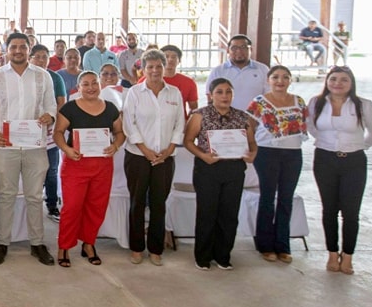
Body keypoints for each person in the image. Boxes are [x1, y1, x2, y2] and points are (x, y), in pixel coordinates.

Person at [0, 32, 58, 266]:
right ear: (6, 50)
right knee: (7, 194)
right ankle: (2, 243)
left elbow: (51, 104)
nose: (18, 51)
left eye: (22, 47)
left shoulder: (42, 76)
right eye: (13, 47)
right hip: (5, 145)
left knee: (35, 195)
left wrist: (50, 116)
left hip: (35, 145)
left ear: (29, 49)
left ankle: (37, 243)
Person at [307, 66, 372, 275]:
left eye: (344, 80)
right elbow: (311, 126)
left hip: (353, 162)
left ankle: (347, 257)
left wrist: (359, 146)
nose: (338, 83)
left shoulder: (363, 104)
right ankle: (331, 253)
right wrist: (325, 141)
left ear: (351, 83)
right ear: (327, 81)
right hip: (324, 159)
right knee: (329, 209)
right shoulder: (316, 102)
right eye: (333, 79)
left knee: (351, 212)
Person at [183, 78, 258, 271]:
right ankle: (203, 256)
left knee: (229, 214)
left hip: (234, 169)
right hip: (208, 168)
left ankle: (223, 255)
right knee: (207, 213)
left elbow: (252, 143)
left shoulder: (242, 117)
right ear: (210, 95)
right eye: (219, 92)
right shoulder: (199, 115)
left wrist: (252, 155)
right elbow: (189, 141)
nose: (224, 96)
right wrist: (203, 156)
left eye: (228, 92)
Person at [54, 71, 125, 268]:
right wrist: (67, 149)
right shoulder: (70, 108)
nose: (91, 87)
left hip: (102, 166)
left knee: (96, 207)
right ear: (79, 88)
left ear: (100, 84)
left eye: (94, 83)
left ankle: (89, 244)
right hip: (76, 164)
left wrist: (115, 145)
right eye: (86, 84)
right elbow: (58, 133)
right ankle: (64, 246)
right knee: (72, 207)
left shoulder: (110, 108)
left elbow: (119, 133)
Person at [121, 50, 185, 265]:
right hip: (138, 156)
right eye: (150, 67)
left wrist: (168, 150)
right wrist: (146, 150)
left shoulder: (174, 93)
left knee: (159, 203)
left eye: (159, 66)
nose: (155, 71)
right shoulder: (135, 93)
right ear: (143, 69)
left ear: (164, 67)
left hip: (165, 157)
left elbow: (180, 124)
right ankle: (137, 248)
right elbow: (129, 124)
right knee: (137, 202)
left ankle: (156, 249)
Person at [246, 66, 308, 264]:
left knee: (286, 199)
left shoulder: (299, 101)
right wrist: (253, 147)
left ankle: (283, 245)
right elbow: (249, 127)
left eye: (285, 77)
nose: (280, 81)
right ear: (268, 80)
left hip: (293, 154)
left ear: (290, 80)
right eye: (275, 77)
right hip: (267, 153)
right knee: (267, 198)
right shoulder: (259, 102)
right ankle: (265, 245)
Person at [30, 44, 67, 222]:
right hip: (27, 132)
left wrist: (53, 120)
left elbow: (61, 102)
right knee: (30, 171)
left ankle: (52, 205)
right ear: (30, 58)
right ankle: (30, 205)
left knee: (51, 171)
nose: (41, 60)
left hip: (50, 130)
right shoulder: (25, 77)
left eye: (44, 57)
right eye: (37, 56)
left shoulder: (55, 78)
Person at [206, 34, 269, 111]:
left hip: (255, 119)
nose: (239, 51)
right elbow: (210, 96)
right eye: (234, 48)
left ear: (251, 50)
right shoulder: (218, 71)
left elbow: (269, 96)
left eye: (243, 47)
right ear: (228, 50)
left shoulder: (263, 69)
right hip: (226, 119)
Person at [159, 45, 199, 118]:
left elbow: (194, 109)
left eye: (174, 57)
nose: (170, 59)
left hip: (180, 125)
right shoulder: (147, 81)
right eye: (166, 56)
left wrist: (187, 124)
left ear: (179, 61)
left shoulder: (189, 82)